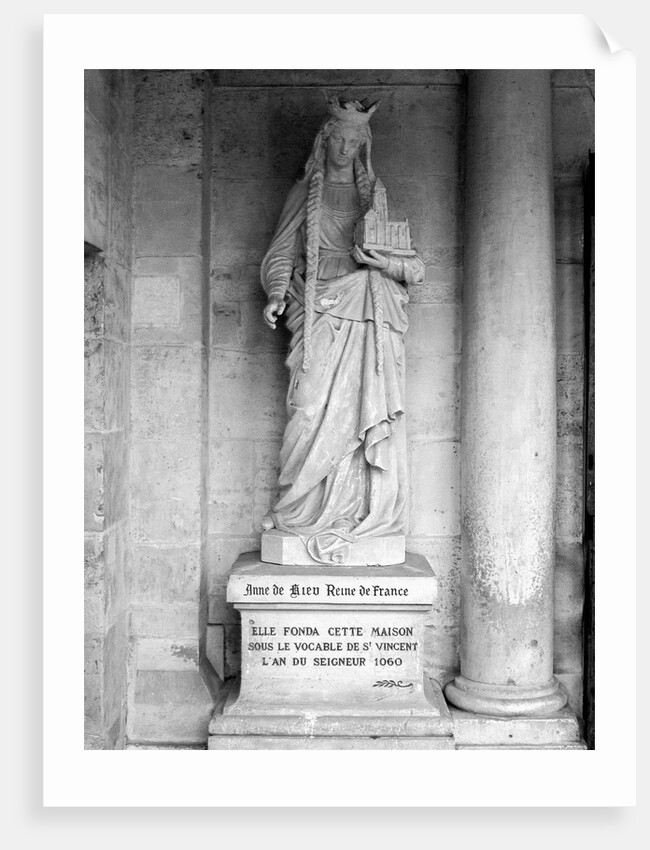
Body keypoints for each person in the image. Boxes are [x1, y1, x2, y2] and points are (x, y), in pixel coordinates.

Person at [260, 93, 425, 564]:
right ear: (325, 140)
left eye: (356, 141)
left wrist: (383, 262)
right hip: (315, 309)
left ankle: (354, 514)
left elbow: (414, 267)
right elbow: (280, 254)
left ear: (364, 147)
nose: (346, 149)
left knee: (361, 408)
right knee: (309, 407)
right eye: (340, 139)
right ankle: (299, 509)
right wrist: (276, 293)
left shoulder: (377, 198)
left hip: (368, 313)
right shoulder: (303, 194)